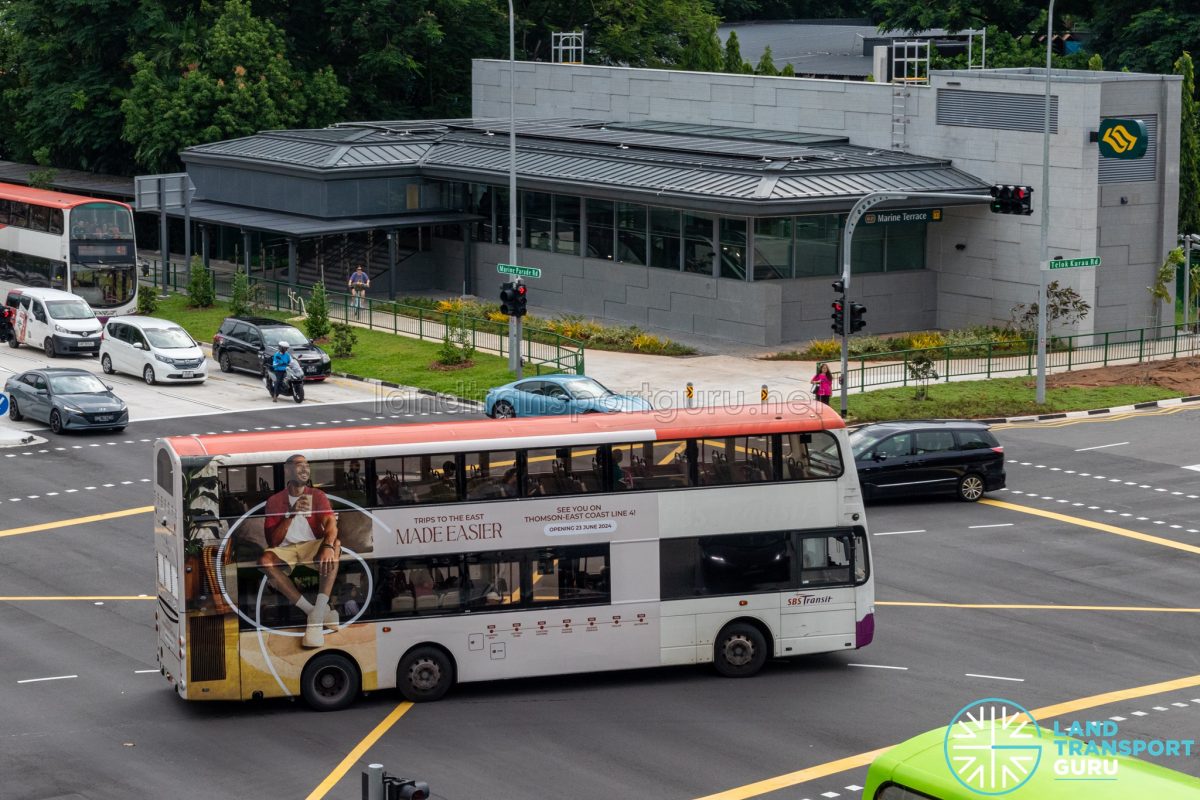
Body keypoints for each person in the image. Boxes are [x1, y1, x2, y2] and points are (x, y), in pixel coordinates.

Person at [258, 454, 341, 648]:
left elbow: (330, 523)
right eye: (299, 466)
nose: (305, 469)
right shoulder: (275, 501)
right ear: (287, 470)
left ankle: (316, 615)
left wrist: (328, 545)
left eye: (307, 466)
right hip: (285, 548)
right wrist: (291, 513)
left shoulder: (317, 495)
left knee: (336, 545)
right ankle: (314, 611)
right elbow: (273, 540)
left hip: (312, 544)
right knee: (265, 561)